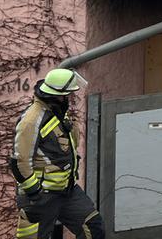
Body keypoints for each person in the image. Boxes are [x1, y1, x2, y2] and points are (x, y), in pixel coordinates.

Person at [10, 68, 103, 239]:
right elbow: (19, 161)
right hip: (40, 197)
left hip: (67, 192)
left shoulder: (58, 112)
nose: (68, 98)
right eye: (66, 94)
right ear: (56, 95)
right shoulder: (31, 120)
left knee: (93, 227)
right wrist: (34, 192)